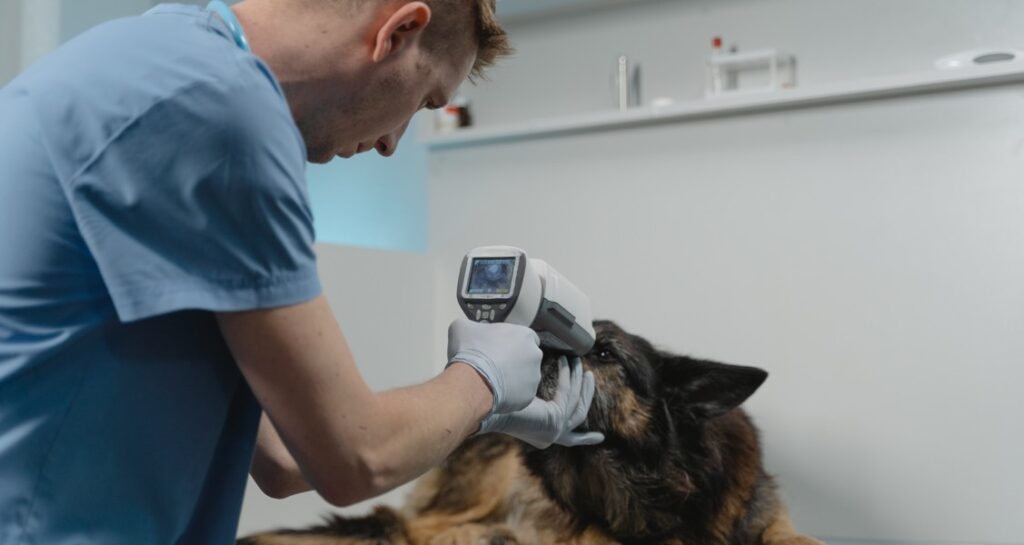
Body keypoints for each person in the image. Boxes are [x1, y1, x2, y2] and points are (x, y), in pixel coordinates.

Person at [0, 1, 602, 543]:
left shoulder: (159, 54)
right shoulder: (220, 112)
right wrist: (483, 380)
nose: (394, 142)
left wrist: (481, 412)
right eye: (424, 101)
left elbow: (289, 459)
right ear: (399, 30)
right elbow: (356, 457)